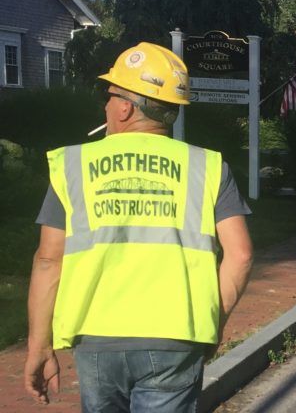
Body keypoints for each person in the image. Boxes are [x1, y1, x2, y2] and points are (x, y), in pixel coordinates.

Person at [23, 42, 254, 411]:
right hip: (176, 336)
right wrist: (211, 323)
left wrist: (39, 345)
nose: (105, 104)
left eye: (110, 94)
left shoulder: (73, 166)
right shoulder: (207, 166)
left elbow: (49, 260)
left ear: (126, 106)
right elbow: (240, 256)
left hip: (97, 337)